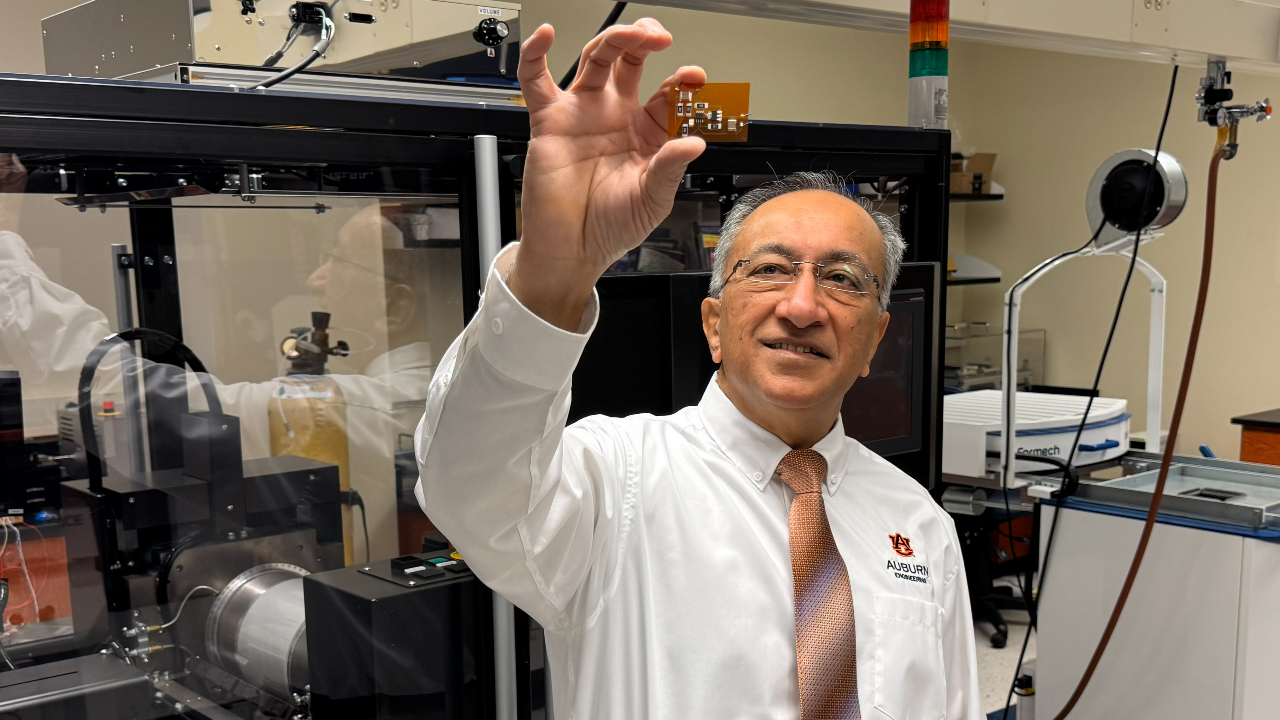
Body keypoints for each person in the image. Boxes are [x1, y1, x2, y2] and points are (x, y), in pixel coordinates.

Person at [415, 17, 981, 720]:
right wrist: (552, 269)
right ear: (714, 324)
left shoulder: (917, 523)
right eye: (769, 270)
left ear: (874, 343)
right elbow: (467, 485)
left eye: (842, 280)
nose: (802, 306)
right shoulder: (614, 481)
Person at [0, 195, 441, 562]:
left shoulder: (374, 405)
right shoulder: (427, 385)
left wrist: (5, 242)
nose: (314, 279)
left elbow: (119, 386)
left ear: (396, 308)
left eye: (338, 263)